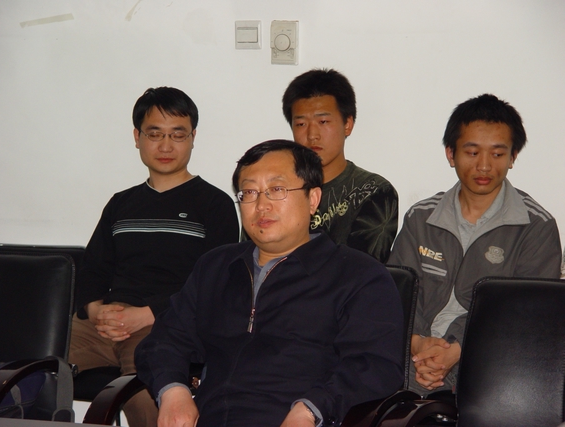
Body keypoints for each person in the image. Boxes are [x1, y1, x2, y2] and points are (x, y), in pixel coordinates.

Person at [135, 140, 404, 427]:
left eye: (277, 190)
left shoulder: (358, 275)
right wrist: (173, 391)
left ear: (313, 199)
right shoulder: (216, 267)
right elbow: (164, 340)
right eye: (249, 192)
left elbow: (375, 366)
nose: (261, 205)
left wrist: (311, 410)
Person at [69, 87, 239, 427]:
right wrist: (96, 309)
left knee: (148, 388)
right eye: (155, 134)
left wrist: (146, 315)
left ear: (193, 138)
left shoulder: (214, 204)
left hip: (165, 323)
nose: (165, 146)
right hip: (104, 323)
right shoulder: (121, 203)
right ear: (137, 137)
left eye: (177, 135)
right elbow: (92, 269)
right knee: (32, 365)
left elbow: (213, 283)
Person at [388, 93, 562, 396]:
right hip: (413, 353)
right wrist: (417, 344)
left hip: (488, 361)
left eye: (497, 154)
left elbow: (525, 316)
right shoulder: (421, 217)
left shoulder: (536, 226)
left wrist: (454, 349)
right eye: (472, 152)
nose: (484, 166)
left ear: (513, 157)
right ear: (451, 154)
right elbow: (395, 293)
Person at [281, 68, 398, 263]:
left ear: (347, 124)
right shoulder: (273, 189)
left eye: (323, 121)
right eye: (301, 124)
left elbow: (361, 270)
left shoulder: (374, 191)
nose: (312, 135)